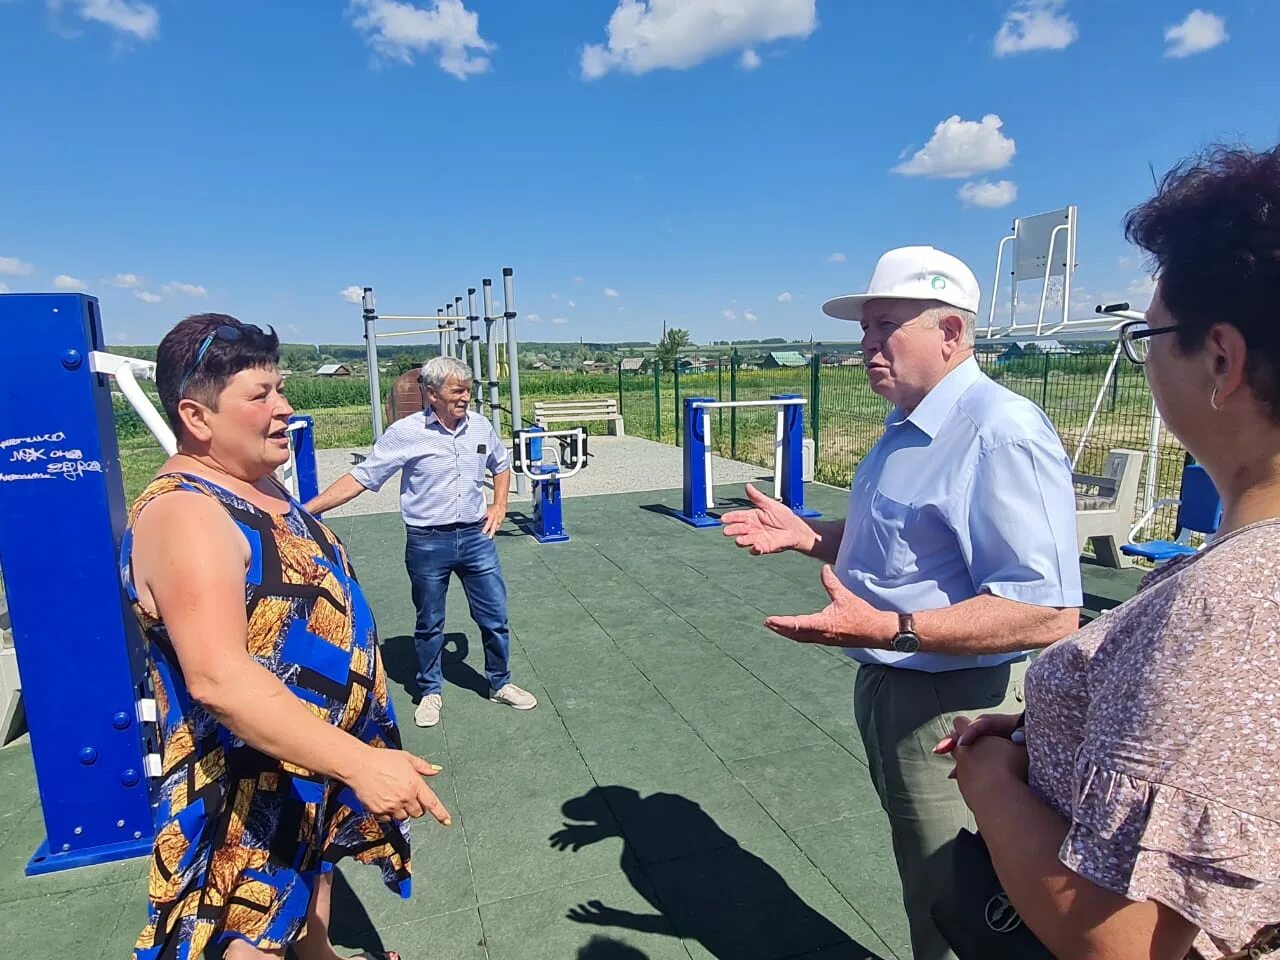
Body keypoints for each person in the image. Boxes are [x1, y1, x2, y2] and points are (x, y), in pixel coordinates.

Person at [942, 145, 1280, 959]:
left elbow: (1122, 940)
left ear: (1222, 361)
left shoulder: (1227, 608)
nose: (1145, 353)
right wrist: (1052, 732)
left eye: (1148, 333)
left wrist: (991, 783)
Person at [721, 245, 1083, 960]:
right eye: (864, 330)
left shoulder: (997, 430)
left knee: (967, 907)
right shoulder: (908, 422)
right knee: (929, 886)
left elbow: (1047, 611)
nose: (866, 346)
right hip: (895, 687)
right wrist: (811, 536)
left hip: (958, 709)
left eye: (885, 325)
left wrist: (890, 627)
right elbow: (904, 541)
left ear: (949, 333)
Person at [126, 314, 450, 960]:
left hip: (302, 764)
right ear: (196, 416)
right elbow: (218, 678)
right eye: (261, 395)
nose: (284, 406)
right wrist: (360, 763)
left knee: (308, 885)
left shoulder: (252, 478)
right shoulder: (187, 512)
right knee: (249, 934)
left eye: (280, 388)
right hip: (245, 789)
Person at [304, 355, 537, 728]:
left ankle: (500, 683)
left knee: (494, 616)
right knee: (430, 621)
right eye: (456, 391)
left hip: (476, 538)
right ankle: (430, 690)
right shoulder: (406, 433)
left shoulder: (480, 427)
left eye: (468, 390)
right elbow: (362, 476)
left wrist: (500, 504)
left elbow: (501, 463)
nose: (465, 397)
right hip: (428, 542)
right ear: (431, 394)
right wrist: (307, 510)